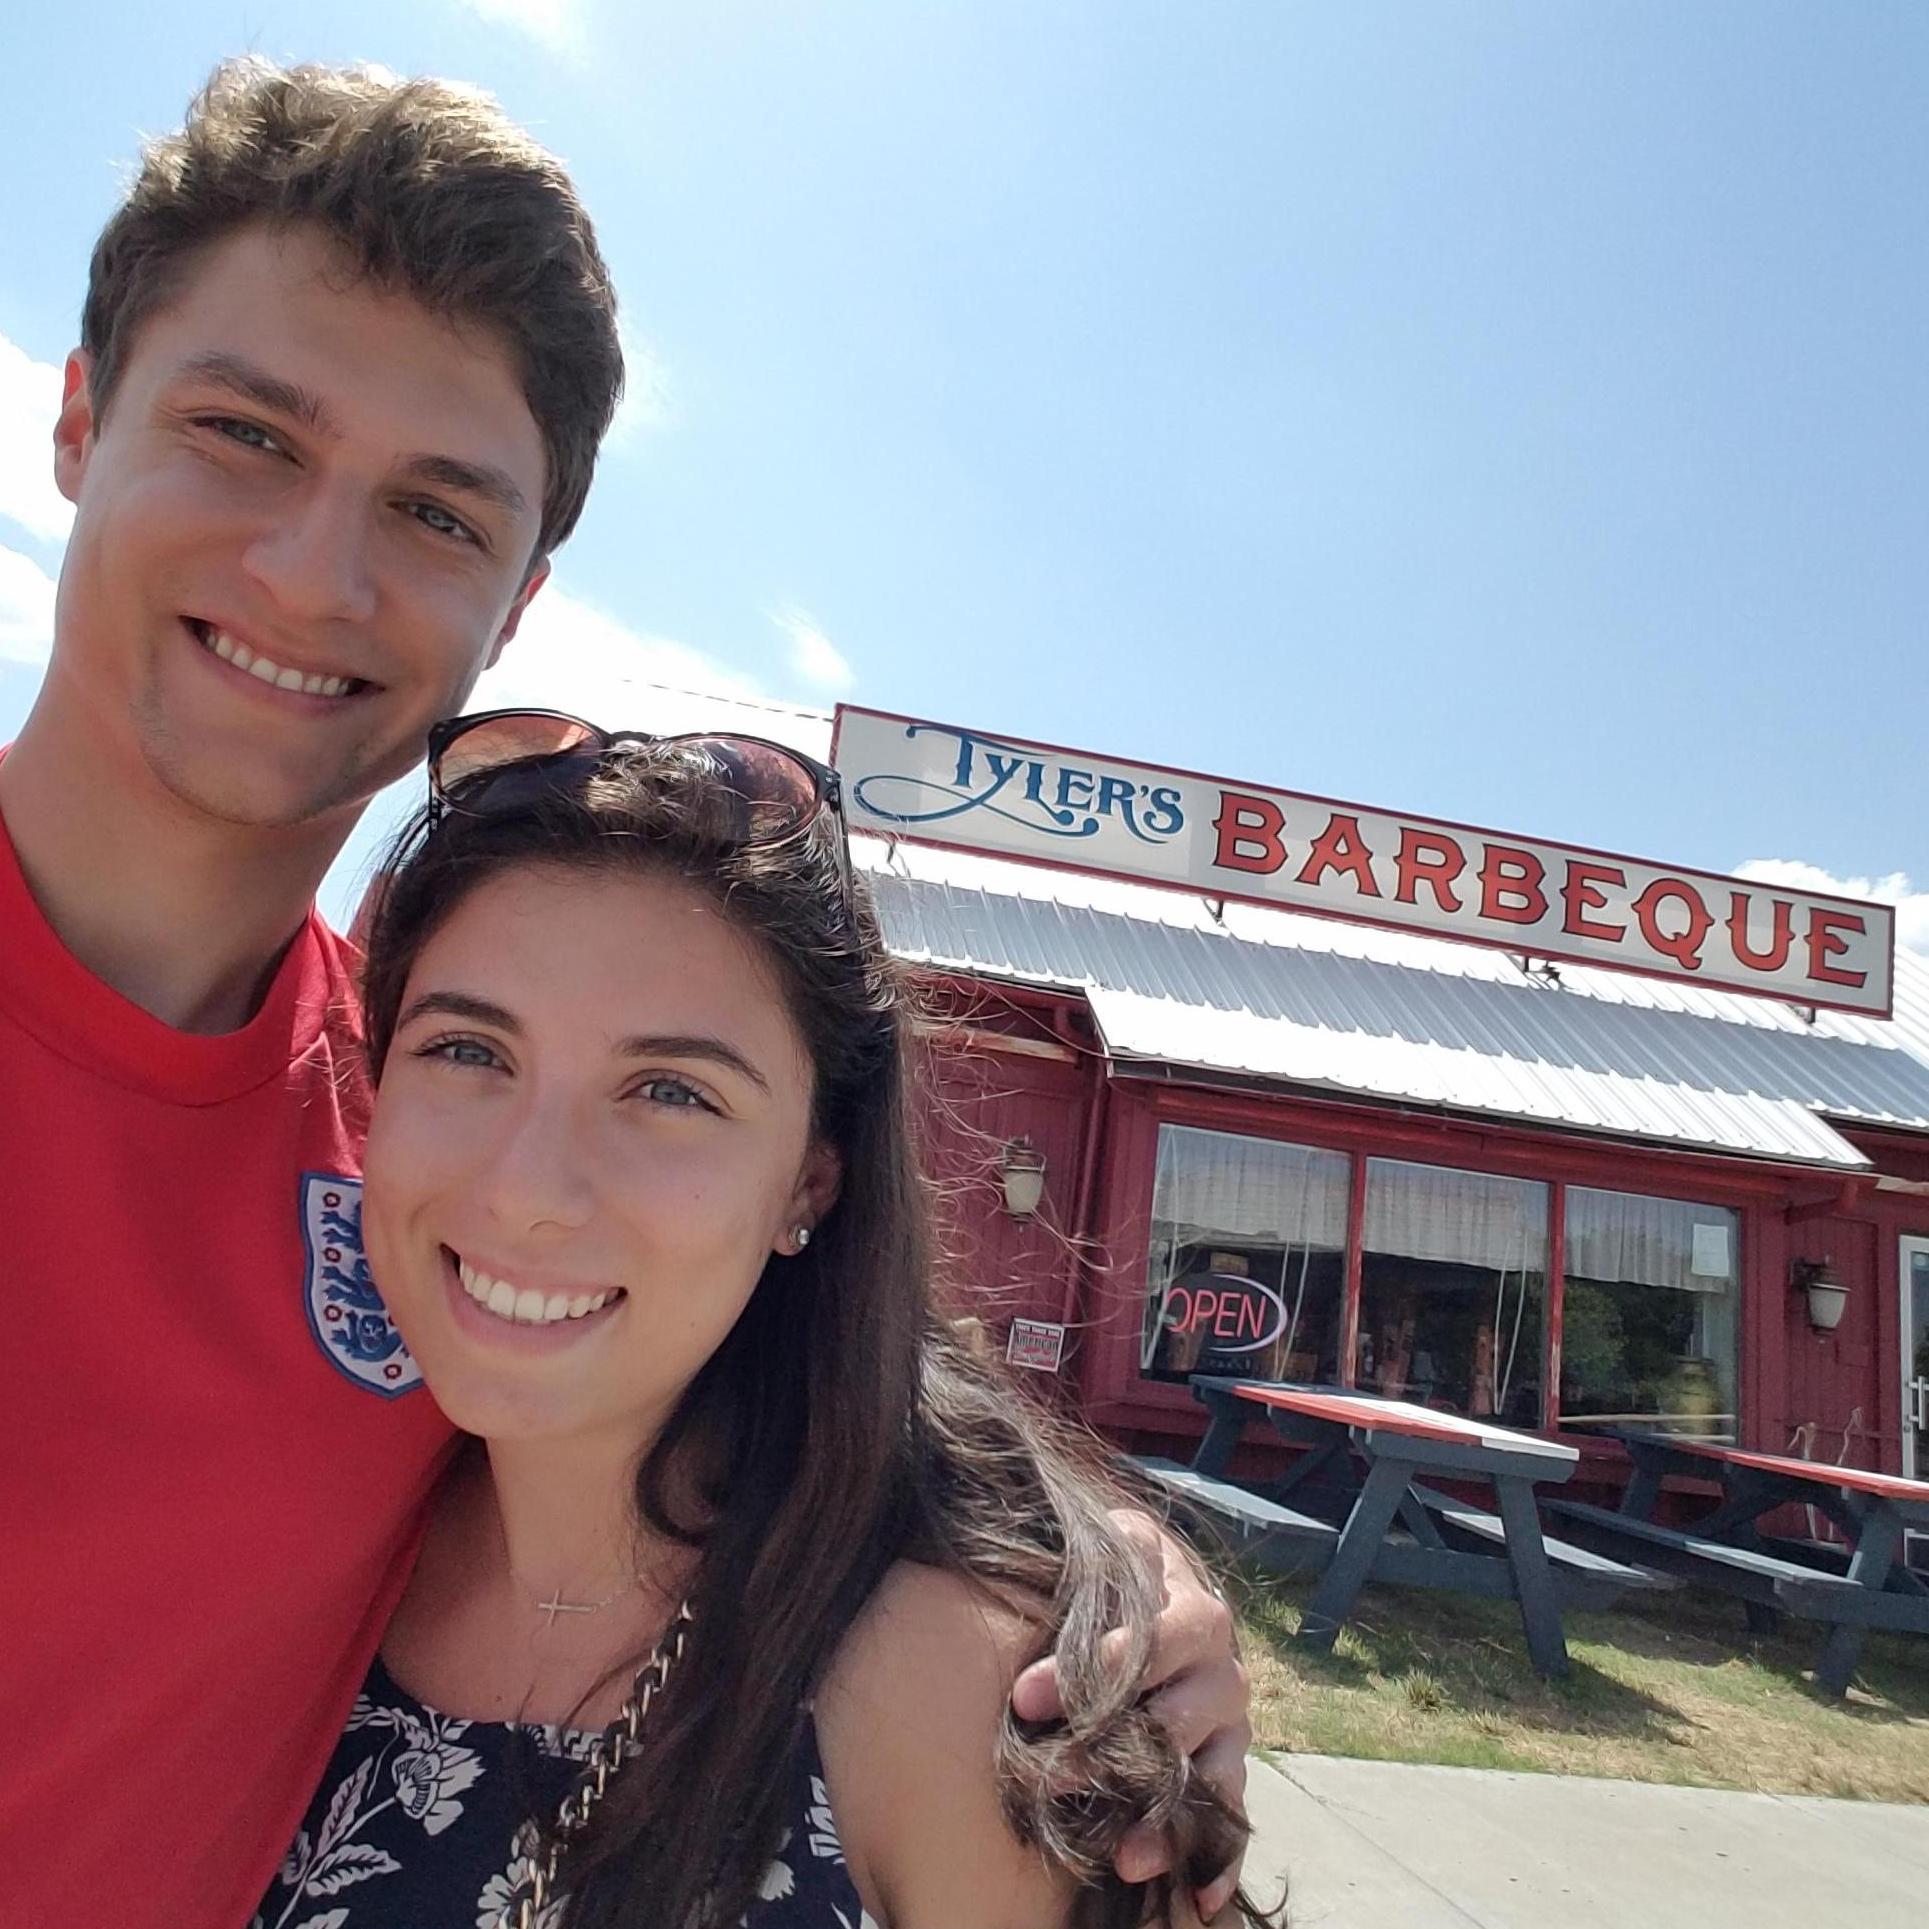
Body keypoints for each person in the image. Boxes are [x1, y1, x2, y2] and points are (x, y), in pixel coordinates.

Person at [0, 59, 1250, 1928]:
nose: (311, 568)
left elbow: (730, 1301)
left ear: (513, 600)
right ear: (81, 422)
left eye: (434, 511)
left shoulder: (432, 1126)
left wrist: (1100, 1571)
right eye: (246, 433)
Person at [256, 714, 1277, 1929]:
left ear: (809, 1180)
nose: (526, 1189)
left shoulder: (966, 1694)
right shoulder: (295, 1524)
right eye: (470, 1051)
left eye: (671, 1091)